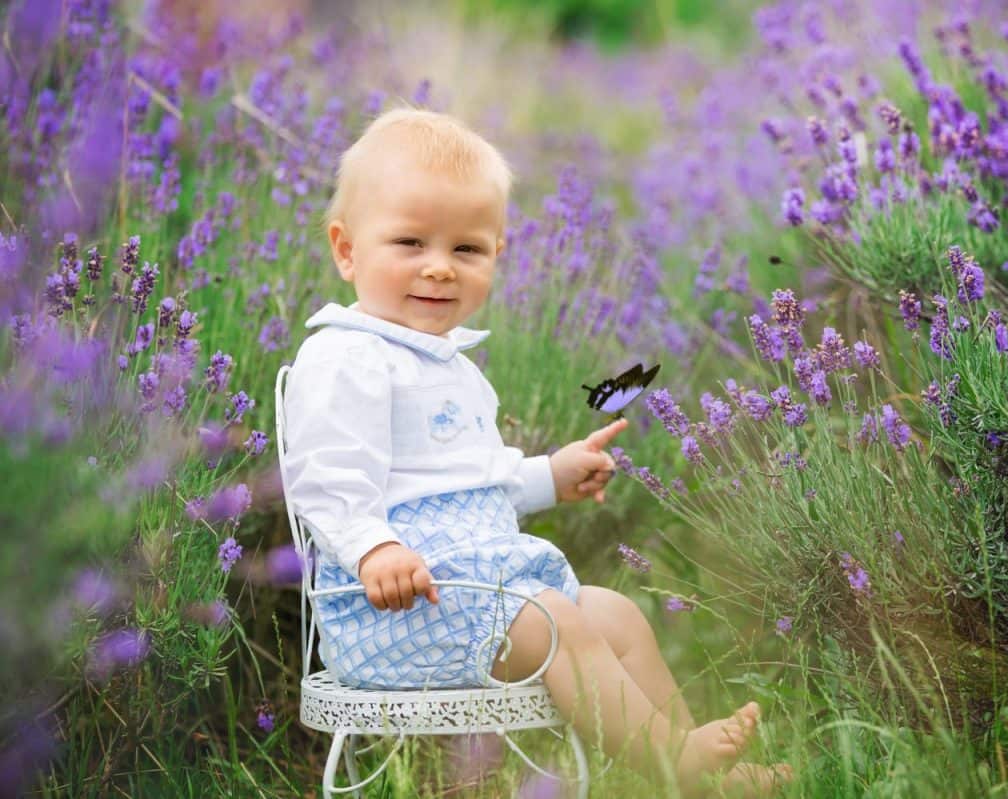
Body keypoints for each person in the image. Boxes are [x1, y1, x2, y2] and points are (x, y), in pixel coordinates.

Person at [281, 107, 793, 796]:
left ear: (497, 254)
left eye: (466, 250)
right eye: (409, 242)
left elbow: (474, 486)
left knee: (614, 612)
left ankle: (691, 769)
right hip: (396, 610)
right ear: (347, 250)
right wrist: (375, 548)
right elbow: (327, 477)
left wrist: (552, 475)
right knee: (554, 620)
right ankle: (678, 762)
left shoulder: (454, 367)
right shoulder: (346, 356)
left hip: (478, 594)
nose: (438, 268)